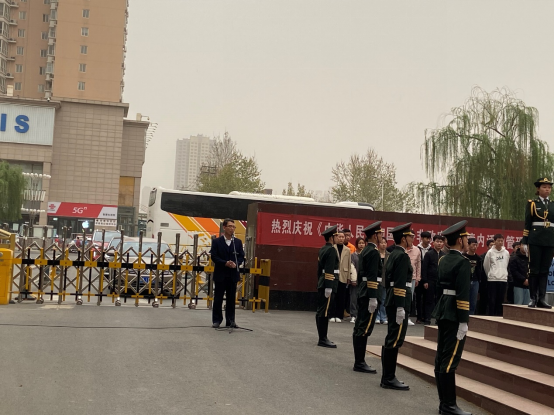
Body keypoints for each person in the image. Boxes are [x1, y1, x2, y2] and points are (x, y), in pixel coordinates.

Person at [432, 220, 471, 415]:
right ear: (460, 240)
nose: (468, 241)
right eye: (466, 238)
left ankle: (444, 403)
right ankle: (449, 405)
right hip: (455, 312)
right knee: (450, 359)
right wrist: (464, 321)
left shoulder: (443, 260)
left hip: (443, 309)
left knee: (441, 356)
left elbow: (439, 287)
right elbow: (463, 294)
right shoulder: (462, 262)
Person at [381, 223, 413, 391]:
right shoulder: (401, 256)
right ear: (403, 239)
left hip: (392, 298)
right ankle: (389, 378)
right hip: (399, 300)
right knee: (395, 338)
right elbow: (400, 282)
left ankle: (387, 376)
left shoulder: (393, 254)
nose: (412, 239)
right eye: (410, 237)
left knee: (392, 337)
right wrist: (401, 306)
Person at [352, 222, 384, 373]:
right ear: (375, 236)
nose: (382, 236)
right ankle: (359, 362)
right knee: (364, 328)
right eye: (380, 234)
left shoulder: (365, 250)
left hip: (363, 290)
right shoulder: (373, 252)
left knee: (360, 326)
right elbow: (372, 276)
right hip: (370, 292)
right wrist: (373, 297)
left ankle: (359, 361)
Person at [521, 177, 554, 309]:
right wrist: (524, 242)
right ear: (538, 189)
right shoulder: (532, 204)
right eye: (544, 187)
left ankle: (541, 298)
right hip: (535, 239)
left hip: (549, 240)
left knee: (545, 270)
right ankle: (532, 297)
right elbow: (527, 224)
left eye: (549, 187)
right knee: (534, 270)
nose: (547, 190)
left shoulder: (552, 204)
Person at [210, 219, 245, 329]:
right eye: (230, 226)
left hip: (232, 274)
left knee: (231, 299)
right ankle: (217, 320)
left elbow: (241, 256)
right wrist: (225, 263)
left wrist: (236, 263)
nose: (232, 228)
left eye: (233, 227)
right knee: (218, 298)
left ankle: (230, 321)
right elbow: (214, 256)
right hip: (220, 274)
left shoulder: (237, 242)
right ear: (224, 227)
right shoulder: (217, 242)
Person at [316, 225, 340, 348]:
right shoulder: (331, 250)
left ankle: (322, 337)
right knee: (324, 311)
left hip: (322, 282)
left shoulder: (323, 249)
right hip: (328, 283)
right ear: (331, 237)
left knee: (321, 310)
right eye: (336, 236)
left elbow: (319, 270)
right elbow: (329, 269)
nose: (337, 238)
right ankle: (323, 338)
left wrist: (320, 282)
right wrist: (329, 286)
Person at [421, 235, 445, 324]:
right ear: (433, 242)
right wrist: (425, 281)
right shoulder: (429, 254)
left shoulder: (444, 255)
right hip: (430, 280)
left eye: (441, 242)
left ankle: (438, 319)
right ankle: (427, 318)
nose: (439, 243)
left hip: (440, 281)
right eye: (437, 241)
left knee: (439, 300)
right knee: (429, 300)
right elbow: (424, 268)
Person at [483, 234, 509, 316]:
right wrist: (491, 274)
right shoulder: (490, 252)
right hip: (492, 279)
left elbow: (506, 264)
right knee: (492, 300)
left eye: (502, 241)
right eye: (498, 241)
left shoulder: (506, 253)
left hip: (503, 279)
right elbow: (486, 266)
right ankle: (491, 316)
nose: (500, 242)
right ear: (494, 241)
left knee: (500, 300)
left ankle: (499, 316)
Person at [330, 230, 351, 323]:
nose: (341, 238)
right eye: (339, 237)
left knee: (341, 296)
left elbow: (349, 264)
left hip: (343, 275)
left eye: (343, 237)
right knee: (333, 296)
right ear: (336, 238)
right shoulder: (332, 248)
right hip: (334, 275)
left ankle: (339, 315)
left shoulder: (347, 250)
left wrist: (349, 277)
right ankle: (332, 315)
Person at [416, 231, 432, 323]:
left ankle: (426, 317)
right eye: (426, 238)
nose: (428, 240)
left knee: (427, 298)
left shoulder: (431, 250)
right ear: (421, 238)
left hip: (428, 277)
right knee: (418, 298)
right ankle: (419, 317)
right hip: (419, 277)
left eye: (429, 238)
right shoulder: (417, 249)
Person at [464, 238, 482, 316]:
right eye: (473, 245)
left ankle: (471, 317)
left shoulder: (478, 258)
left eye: (476, 245)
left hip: (475, 281)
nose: (475, 247)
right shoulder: (464, 256)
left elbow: (479, 271)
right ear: (468, 245)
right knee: (465, 300)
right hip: (465, 281)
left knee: (473, 302)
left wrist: (479, 281)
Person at [406, 234, 421, 326]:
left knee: (409, 298)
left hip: (412, 278)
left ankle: (407, 316)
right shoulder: (402, 249)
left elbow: (418, 265)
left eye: (412, 237)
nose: (411, 239)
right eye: (409, 237)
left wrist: (418, 278)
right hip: (402, 277)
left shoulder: (417, 250)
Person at [349, 237, 366, 323]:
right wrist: (353, 279)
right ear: (356, 244)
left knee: (362, 298)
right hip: (355, 280)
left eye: (363, 243)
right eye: (359, 243)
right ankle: (353, 315)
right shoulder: (353, 255)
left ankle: (361, 315)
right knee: (354, 298)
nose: (361, 245)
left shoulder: (366, 255)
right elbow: (351, 267)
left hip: (364, 280)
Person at [476, 239, 494, 315]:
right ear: (487, 247)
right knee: (483, 300)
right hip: (484, 282)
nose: (492, 247)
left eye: (493, 245)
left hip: (493, 282)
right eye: (491, 245)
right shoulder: (482, 257)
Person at [376, 238, 389, 325]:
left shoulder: (389, 255)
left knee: (384, 299)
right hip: (376, 280)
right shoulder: (376, 254)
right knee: (377, 299)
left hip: (385, 280)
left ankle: (383, 317)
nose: (383, 244)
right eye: (381, 243)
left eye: (385, 243)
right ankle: (377, 317)